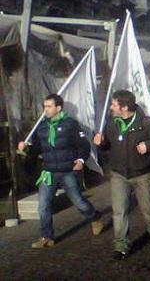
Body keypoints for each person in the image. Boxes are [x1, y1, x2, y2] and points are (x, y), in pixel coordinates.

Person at [93, 90, 150, 260]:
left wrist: (148, 146)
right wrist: (101, 143)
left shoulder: (146, 123)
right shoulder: (112, 123)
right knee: (119, 211)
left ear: (124, 107)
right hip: (119, 175)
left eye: (114, 104)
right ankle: (121, 246)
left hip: (143, 174)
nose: (111, 107)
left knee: (147, 208)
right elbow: (107, 146)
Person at [18, 94, 103, 249]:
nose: (46, 110)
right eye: (44, 106)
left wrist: (81, 160)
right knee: (43, 205)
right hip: (48, 172)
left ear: (58, 108)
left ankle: (94, 216)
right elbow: (36, 149)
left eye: (49, 106)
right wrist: (25, 149)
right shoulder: (41, 126)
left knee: (79, 201)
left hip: (68, 171)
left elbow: (84, 145)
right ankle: (46, 237)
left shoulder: (70, 124)